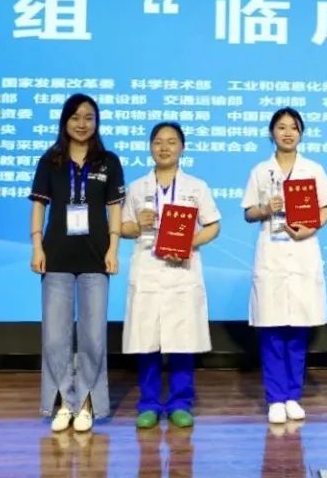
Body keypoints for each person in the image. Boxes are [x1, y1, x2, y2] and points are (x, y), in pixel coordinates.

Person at [29, 93, 125, 433]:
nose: (82, 124)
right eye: (75, 117)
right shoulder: (51, 159)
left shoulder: (108, 162)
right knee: (55, 339)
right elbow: (39, 206)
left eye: (89, 117)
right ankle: (64, 403)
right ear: (65, 121)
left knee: (93, 338)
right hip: (56, 256)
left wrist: (113, 249)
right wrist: (36, 246)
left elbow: (115, 209)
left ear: (96, 122)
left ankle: (85, 404)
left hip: (96, 258)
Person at [121, 122, 221, 429]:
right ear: (150, 147)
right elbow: (122, 227)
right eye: (158, 142)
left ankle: (180, 402)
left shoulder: (196, 186)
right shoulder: (137, 187)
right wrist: (138, 225)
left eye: (171, 142)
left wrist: (190, 243)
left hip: (182, 271)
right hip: (148, 268)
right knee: (147, 341)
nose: (164, 148)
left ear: (182, 148)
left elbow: (213, 225)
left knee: (182, 340)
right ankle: (149, 404)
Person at [240, 107, 327, 424]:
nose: (287, 133)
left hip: (303, 251)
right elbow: (248, 213)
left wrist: (312, 227)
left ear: (301, 133)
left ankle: (293, 396)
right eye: (281, 127)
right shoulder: (260, 171)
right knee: (271, 330)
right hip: (271, 254)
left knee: (297, 331)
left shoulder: (313, 169)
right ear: (272, 133)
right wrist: (265, 209)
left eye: (293, 127)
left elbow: (326, 209)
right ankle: (275, 398)